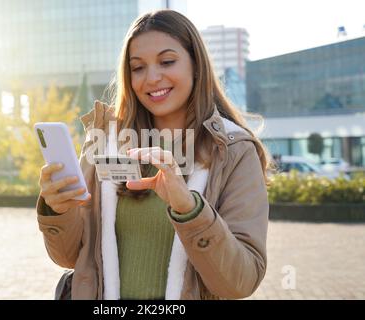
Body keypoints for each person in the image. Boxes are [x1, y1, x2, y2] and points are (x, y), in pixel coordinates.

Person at [36, 9, 271, 300]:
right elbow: (71, 257)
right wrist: (58, 211)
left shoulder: (233, 151)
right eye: (138, 67)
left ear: (196, 65)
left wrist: (189, 208)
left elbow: (240, 282)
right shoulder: (104, 142)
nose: (152, 78)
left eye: (167, 61)